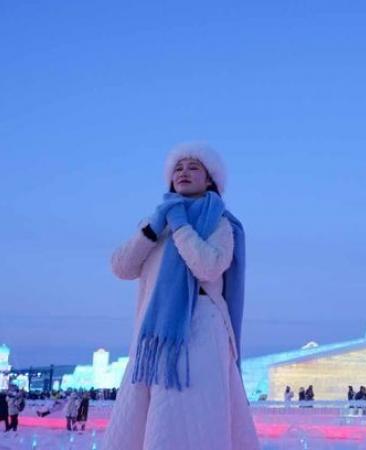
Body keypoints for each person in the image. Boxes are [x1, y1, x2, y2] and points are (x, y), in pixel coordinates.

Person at [102, 143, 260, 450]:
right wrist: (153, 227)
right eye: (178, 168)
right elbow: (122, 267)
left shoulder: (220, 223)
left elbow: (209, 267)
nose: (183, 172)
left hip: (201, 330)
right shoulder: (155, 223)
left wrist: (181, 225)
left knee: (192, 412)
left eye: (193, 167)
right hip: (155, 336)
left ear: (210, 180)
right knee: (150, 414)